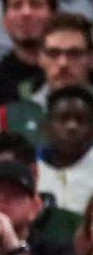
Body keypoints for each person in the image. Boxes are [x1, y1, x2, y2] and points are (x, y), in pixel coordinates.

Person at [0, 12, 93, 162]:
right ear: (40, 58)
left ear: (90, 58)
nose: (63, 63)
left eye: (74, 53)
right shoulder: (3, 119)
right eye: (53, 53)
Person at [37, 85, 93, 218]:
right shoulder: (30, 170)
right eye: (63, 119)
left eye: (80, 120)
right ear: (46, 128)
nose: (72, 126)